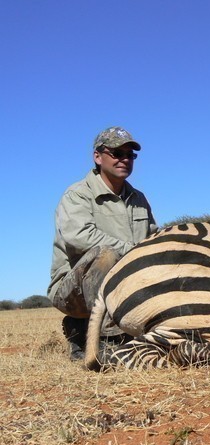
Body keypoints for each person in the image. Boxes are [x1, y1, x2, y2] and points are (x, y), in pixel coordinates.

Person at [48, 126, 157, 360]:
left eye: (130, 155)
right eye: (117, 154)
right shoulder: (77, 194)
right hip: (74, 290)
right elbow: (79, 237)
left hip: (125, 283)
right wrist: (133, 252)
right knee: (105, 255)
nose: (124, 159)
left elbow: (152, 237)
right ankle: (95, 335)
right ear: (97, 157)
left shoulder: (138, 198)